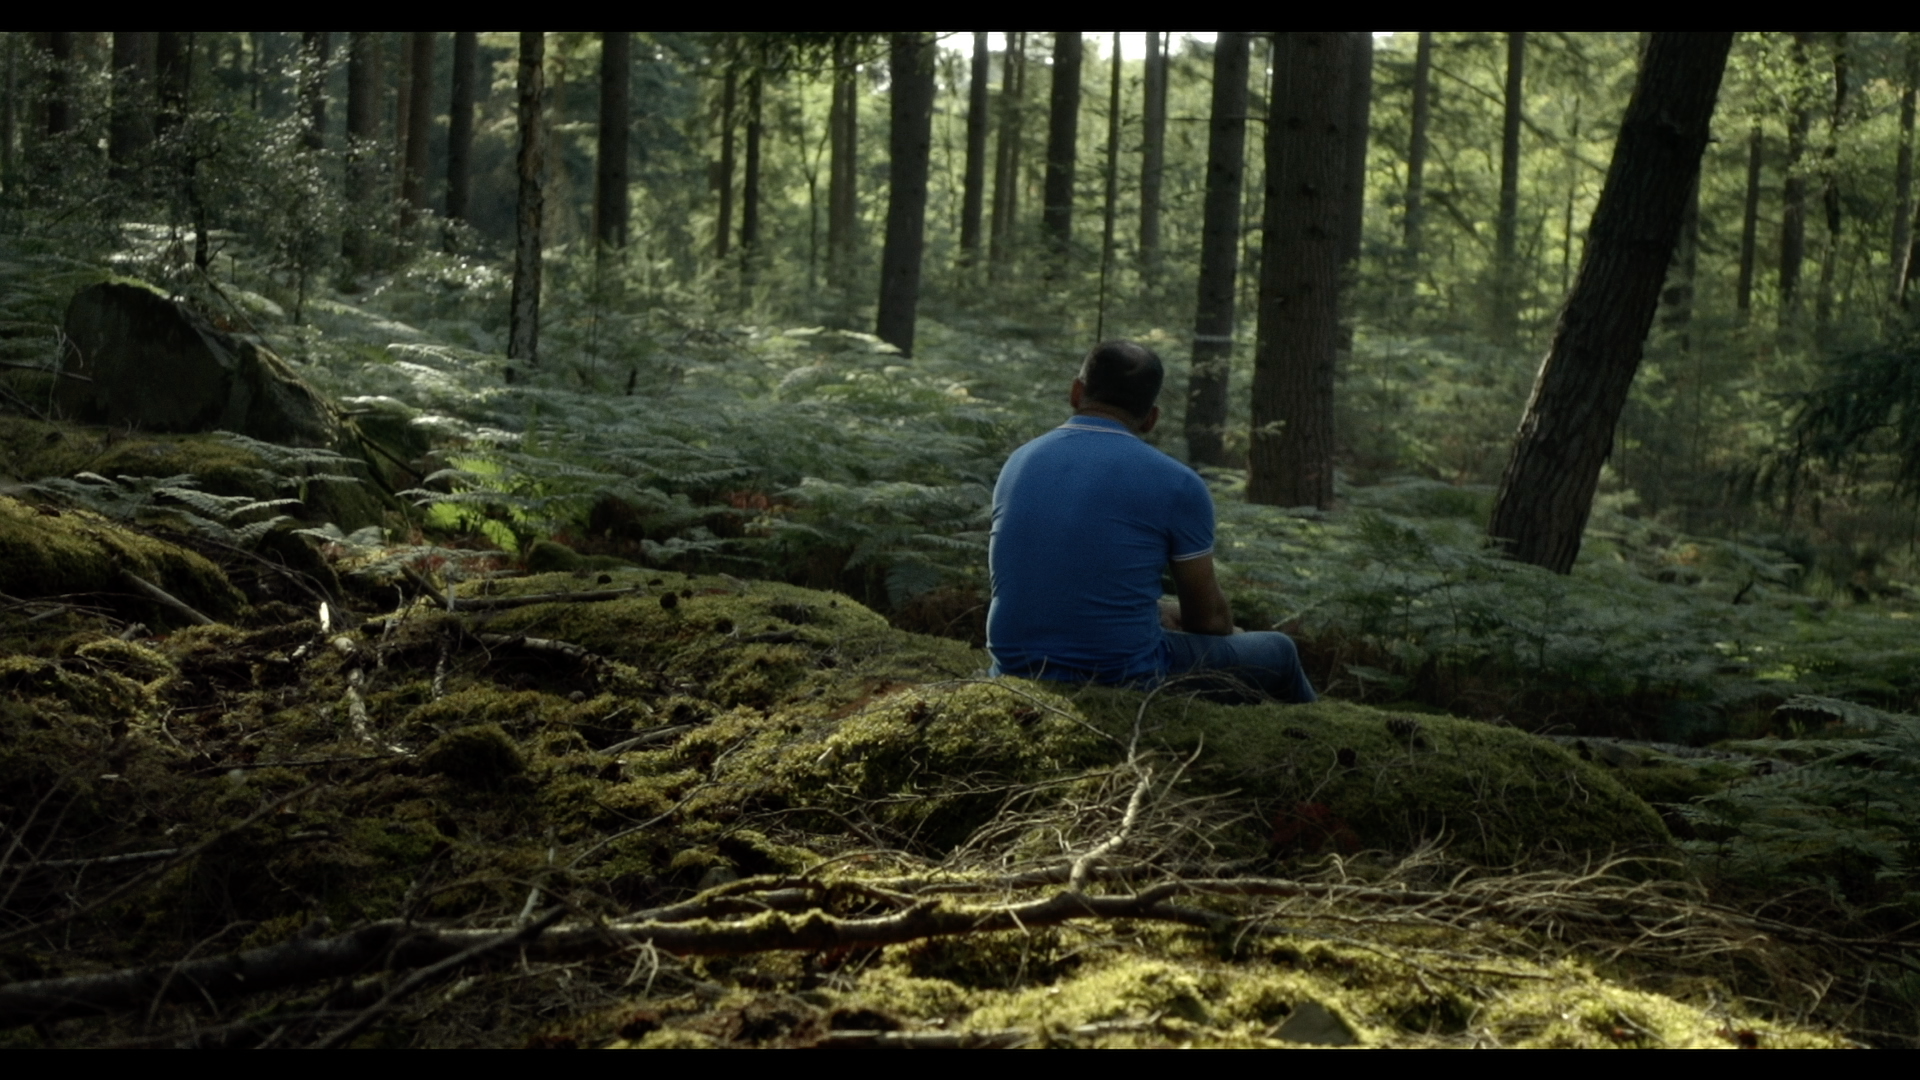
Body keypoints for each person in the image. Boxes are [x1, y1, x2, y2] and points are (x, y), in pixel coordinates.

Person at [986, 340, 1316, 704]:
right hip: (1124, 675)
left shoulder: (1020, 461)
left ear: (1076, 392)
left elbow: (1053, 578)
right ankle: (1312, 731)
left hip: (1013, 667)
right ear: (1151, 418)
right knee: (1280, 650)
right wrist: (1225, 628)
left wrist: (1157, 611)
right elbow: (1208, 620)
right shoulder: (1176, 483)